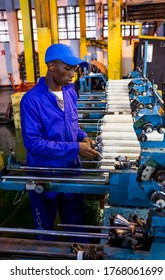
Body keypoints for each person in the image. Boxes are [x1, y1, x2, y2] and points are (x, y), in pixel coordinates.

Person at [20, 43, 98, 241]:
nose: (73, 73)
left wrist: (82, 137)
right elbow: (34, 143)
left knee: (76, 226)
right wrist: (75, 148)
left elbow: (72, 125)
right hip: (44, 174)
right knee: (45, 231)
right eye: (68, 68)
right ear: (52, 66)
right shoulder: (31, 100)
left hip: (71, 171)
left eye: (75, 68)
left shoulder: (70, 92)